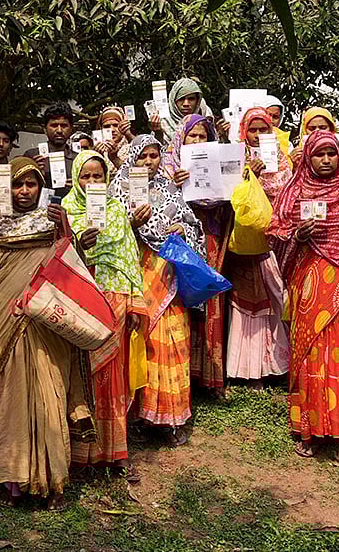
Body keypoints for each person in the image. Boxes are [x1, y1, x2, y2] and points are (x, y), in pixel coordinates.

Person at [0, 157, 93, 509]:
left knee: (49, 393)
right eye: (17, 185)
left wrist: (66, 230)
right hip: (6, 320)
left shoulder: (52, 220)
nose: (24, 192)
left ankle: (53, 482)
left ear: (41, 188)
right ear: (5, 188)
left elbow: (74, 269)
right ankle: (14, 481)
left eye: (31, 184)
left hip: (45, 322)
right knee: (9, 398)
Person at [267, 130, 339, 462]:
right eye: (319, 154)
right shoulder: (296, 192)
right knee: (311, 353)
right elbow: (274, 237)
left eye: (331, 154)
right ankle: (310, 430)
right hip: (310, 284)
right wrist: (296, 235)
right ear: (308, 157)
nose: (325, 160)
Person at [110, 135, 205, 445]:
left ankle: (170, 417)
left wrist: (181, 228)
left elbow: (191, 223)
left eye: (154, 156)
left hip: (167, 273)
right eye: (143, 156)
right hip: (132, 271)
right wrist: (130, 224)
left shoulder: (169, 189)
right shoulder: (117, 189)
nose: (149, 162)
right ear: (132, 158)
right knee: (139, 340)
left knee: (170, 340)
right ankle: (139, 415)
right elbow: (107, 230)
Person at [62, 150, 146, 480]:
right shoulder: (67, 212)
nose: (93, 183)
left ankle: (115, 451)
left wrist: (136, 303)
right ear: (75, 178)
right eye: (87, 176)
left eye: (99, 176)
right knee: (82, 379)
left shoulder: (116, 211)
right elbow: (59, 262)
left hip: (115, 301)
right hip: (80, 301)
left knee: (112, 380)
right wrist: (78, 244)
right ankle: (81, 455)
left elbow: (129, 260)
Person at [163, 115, 232, 395]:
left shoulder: (218, 162)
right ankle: (184, 375)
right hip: (181, 240)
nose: (198, 142)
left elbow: (230, 200)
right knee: (183, 301)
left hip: (209, 238)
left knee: (210, 299)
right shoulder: (168, 168)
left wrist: (227, 184)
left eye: (203, 137)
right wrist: (177, 184)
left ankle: (211, 376)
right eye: (193, 137)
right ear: (182, 138)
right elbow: (160, 204)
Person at [222, 109, 291, 386]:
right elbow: (228, 196)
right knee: (246, 303)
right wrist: (248, 175)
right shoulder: (234, 158)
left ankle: (277, 365)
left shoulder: (282, 161)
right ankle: (249, 371)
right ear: (244, 132)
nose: (259, 135)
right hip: (244, 244)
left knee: (276, 299)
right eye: (253, 130)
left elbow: (288, 195)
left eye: (264, 129)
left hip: (275, 242)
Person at [292, 107, 339, 175]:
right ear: (305, 130)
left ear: (331, 129)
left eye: (322, 127)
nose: (317, 132)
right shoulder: (296, 151)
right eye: (312, 128)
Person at [23, 103, 76, 197]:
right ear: (45, 129)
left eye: (64, 126)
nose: (59, 130)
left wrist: (77, 187)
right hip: (39, 210)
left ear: (71, 129)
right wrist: (33, 171)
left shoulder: (79, 159)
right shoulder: (32, 156)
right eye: (54, 125)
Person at [264, 95, 292, 160]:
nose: (271, 120)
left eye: (275, 117)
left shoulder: (286, 142)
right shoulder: (248, 141)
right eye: (267, 115)